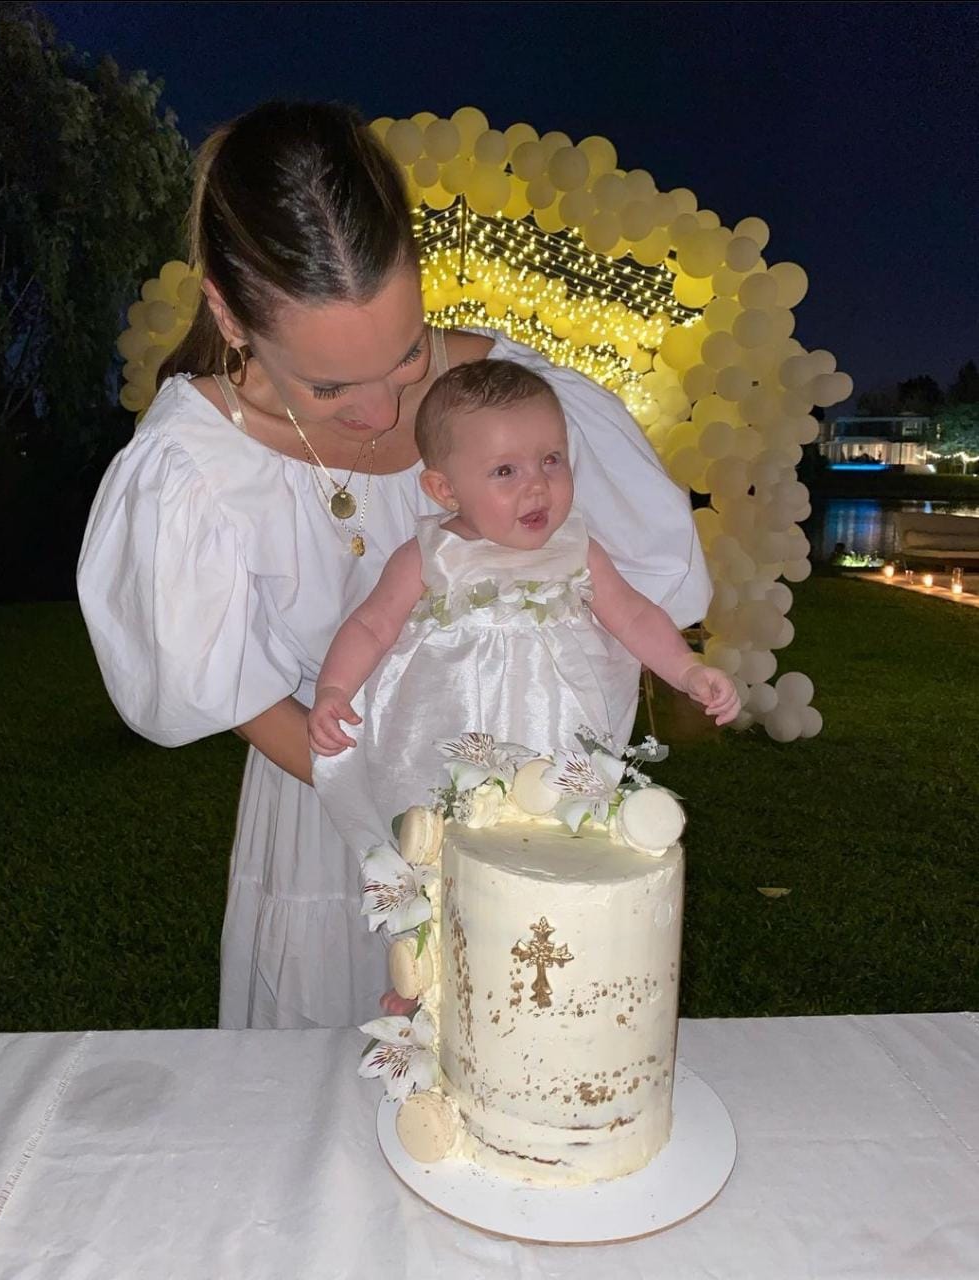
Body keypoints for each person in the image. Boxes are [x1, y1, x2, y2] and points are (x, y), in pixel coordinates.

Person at [77, 100, 713, 1031]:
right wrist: (412, 831)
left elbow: (629, 601)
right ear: (228, 311)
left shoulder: (522, 409)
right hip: (330, 814)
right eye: (330, 386)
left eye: (407, 353)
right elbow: (239, 692)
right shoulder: (191, 469)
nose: (383, 413)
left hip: (522, 823)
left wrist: (515, 822)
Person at [309, 360, 738, 851]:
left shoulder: (577, 548)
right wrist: (334, 688)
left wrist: (686, 669)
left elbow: (634, 615)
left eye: (551, 460)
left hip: (554, 730)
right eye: (505, 471)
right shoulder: (430, 555)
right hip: (453, 733)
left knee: (555, 842)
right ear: (445, 489)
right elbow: (371, 625)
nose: (537, 485)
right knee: (453, 850)